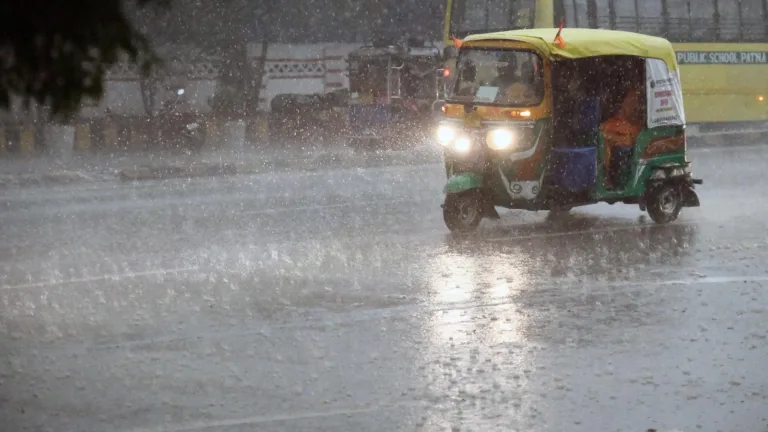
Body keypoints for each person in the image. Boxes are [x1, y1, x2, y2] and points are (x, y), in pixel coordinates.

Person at [600, 86, 644, 188]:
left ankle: (608, 176)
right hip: (626, 132)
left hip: (632, 135)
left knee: (606, 140)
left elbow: (628, 123)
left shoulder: (636, 97)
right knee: (605, 140)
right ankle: (608, 176)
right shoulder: (632, 97)